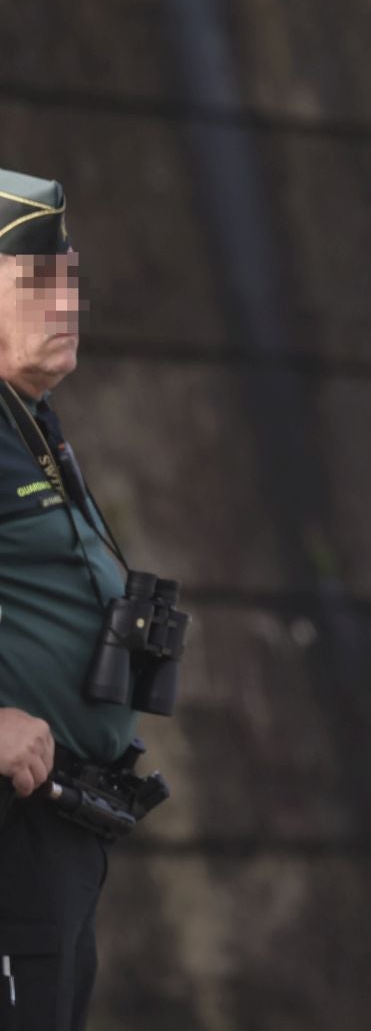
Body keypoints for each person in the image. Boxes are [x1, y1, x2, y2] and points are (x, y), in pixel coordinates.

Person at [0, 169, 175, 1031]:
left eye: (71, 276)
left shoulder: (28, 416)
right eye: (38, 282)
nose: (68, 299)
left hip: (59, 825)